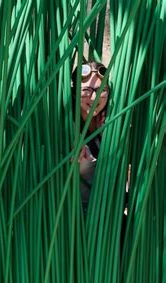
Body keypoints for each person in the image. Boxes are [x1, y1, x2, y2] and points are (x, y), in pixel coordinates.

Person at [71, 61, 109, 210]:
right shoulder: (67, 128)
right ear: (75, 92)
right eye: (86, 90)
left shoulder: (113, 122)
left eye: (101, 90)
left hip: (108, 216)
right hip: (73, 219)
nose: (94, 97)